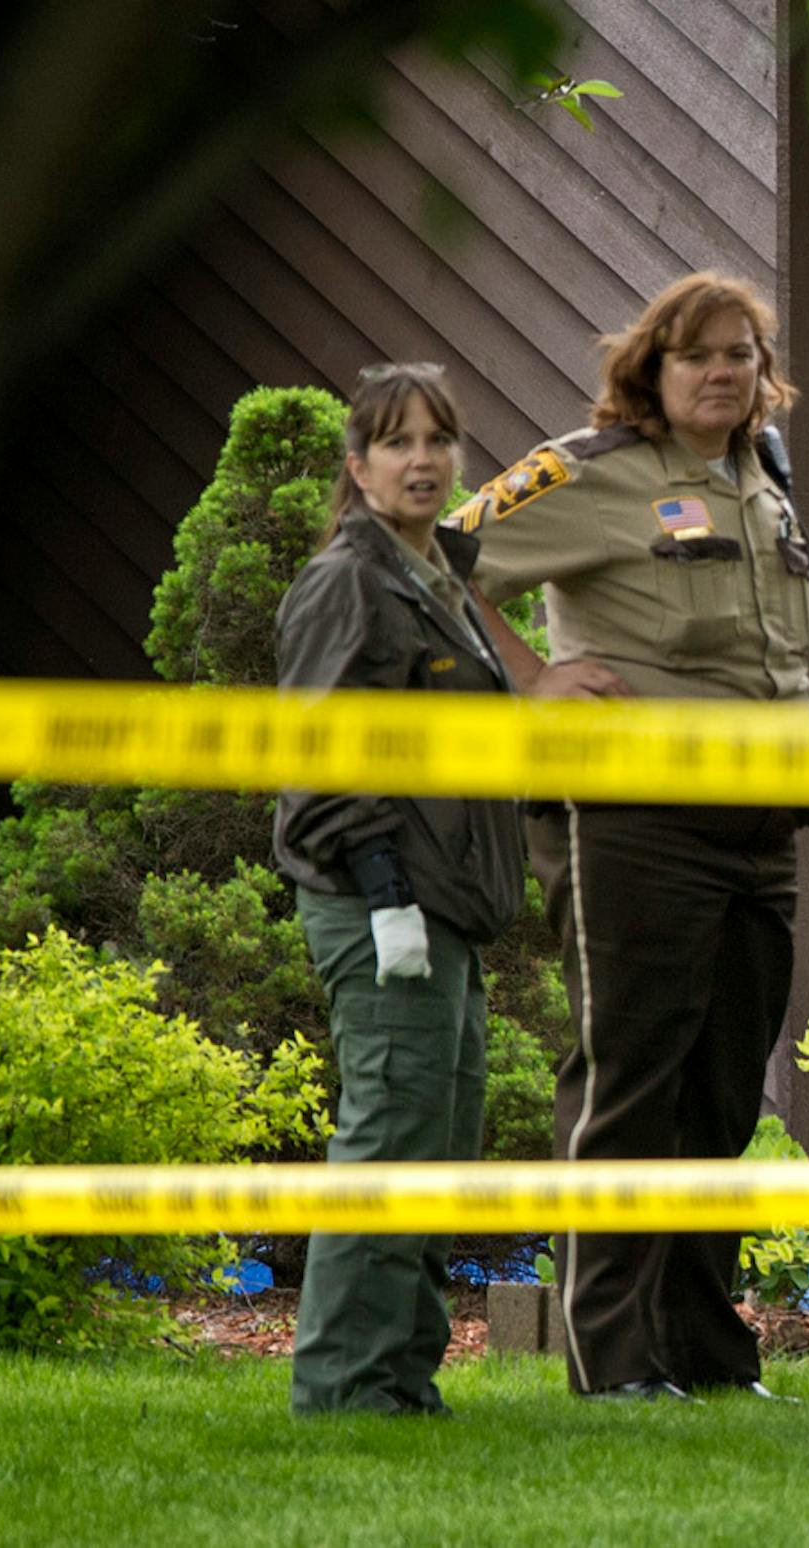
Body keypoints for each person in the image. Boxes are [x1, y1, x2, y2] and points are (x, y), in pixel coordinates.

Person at [446, 273, 809, 1402]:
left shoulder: (764, 483)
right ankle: (610, 1360)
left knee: (725, 1093)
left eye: (741, 355)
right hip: (633, 823)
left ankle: (703, 1352)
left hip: (762, 823)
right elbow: (437, 553)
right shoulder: (592, 473)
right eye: (696, 355)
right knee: (628, 1079)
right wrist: (533, 676)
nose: (721, 373)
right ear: (650, 369)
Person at [275, 362, 525, 1416]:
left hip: (447, 910)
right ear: (358, 465)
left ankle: (401, 1379)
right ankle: (342, 1387)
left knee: (438, 1140)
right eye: (396, 442)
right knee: (388, 1135)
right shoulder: (348, 580)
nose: (421, 460)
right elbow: (326, 757)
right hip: (380, 905)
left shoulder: (441, 577)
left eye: (436, 440)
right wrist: (386, 899)